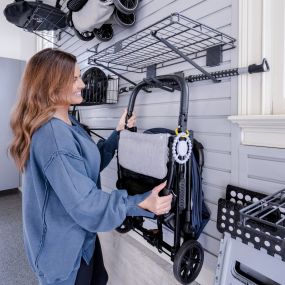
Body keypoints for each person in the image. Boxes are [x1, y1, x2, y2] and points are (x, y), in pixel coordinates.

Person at [9, 48, 173, 285]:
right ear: (52, 84)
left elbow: (85, 166)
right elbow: (85, 203)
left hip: (81, 236)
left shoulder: (67, 121)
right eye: (75, 78)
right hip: (63, 250)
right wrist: (138, 202)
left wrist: (118, 135)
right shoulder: (53, 135)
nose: (83, 84)